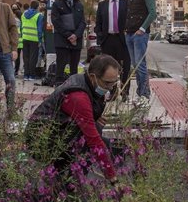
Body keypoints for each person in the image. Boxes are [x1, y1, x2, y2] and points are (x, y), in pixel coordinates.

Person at [25, 54, 119, 183]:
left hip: (58, 133)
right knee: (91, 142)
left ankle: (61, 177)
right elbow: (94, 140)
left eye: (114, 82)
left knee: (103, 140)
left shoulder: (85, 82)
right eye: (107, 83)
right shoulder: (78, 96)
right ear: (93, 77)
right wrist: (111, 176)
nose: (111, 87)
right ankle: (69, 184)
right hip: (42, 141)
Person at [125, 0, 156, 106]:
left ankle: (145, 95)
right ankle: (140, 93)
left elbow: (153, 13)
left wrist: (142, 29)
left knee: (140, 65)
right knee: (136, 66)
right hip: (130, 34)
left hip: (139, 35)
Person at [95, 0, 130, 100]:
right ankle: (112, 92)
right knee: (108, 67)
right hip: (108, 40)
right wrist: (100, 36)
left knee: (125, 66)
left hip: (123, 40)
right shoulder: (102, 4)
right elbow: (98, 23)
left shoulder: (127, 3)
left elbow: (130, 20)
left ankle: (125, 92)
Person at [51, 0, 86, 86]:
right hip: (62, 41)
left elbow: (82, 22)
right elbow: (56, 22)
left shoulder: (79, 4)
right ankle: (59, 86)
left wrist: (76, 35)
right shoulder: (57, 4)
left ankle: (73, 86)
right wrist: (68, 35)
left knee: (74, 67)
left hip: (76, 41)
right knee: (60, 66)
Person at [21, 0, 44, 81]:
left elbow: (21, 26)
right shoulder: (39, 15)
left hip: (25, 38)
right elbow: (40, 29)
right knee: (33, 58)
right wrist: (40, 40)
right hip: (34, 39)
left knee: (25, 57)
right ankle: (31, 75)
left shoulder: (23, 14)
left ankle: (25, 75)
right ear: (37, 7)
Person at [11, 3, 23, 77]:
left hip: (13, 40)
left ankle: (13, 70)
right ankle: (17, 70)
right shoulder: (22, 19)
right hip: (21, 41)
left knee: (12, 56)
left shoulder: (13, 19)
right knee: (18, 57)